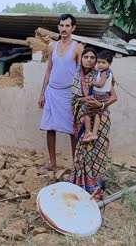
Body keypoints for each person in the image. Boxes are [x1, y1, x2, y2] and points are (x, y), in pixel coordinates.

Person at [69, 47, 118, 200]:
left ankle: (96, 188)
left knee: (98, 150)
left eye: (92, 57)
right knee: (82, 151)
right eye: (86, 57)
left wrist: (101, 105)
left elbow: (114, 97)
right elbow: (74, 100)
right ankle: (80, 186)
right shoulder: (77, 77)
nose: (89, 60)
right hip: (83, 118)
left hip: (101, 116)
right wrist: (84, 100)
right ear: (81, 59)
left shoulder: (102, 75)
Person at [38, 13, 84, 172]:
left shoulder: (78, 47)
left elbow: (81, 74)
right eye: (62, 25)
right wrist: (42, 92)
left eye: (67, 26)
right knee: (50, 128)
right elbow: (49, 69)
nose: (64, 29)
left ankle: (76, 164)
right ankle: (52, 162)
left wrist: (79, 96)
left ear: (73, 28)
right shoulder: (52, 46)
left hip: (68, 94)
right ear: (58, 27)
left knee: (73, 130)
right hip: (52, 92)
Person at [82, 50, 114, 142]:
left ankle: (91, 133)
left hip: (100, 98)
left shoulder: (104, 72)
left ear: (110, 63)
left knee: (91, 114)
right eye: (99, 62)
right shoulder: (101, 72)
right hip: (97, 96)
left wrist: (93, 83)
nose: (100, 65)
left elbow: (100, 84)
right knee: (94, 115)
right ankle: (91, 133)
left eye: (103, 62)